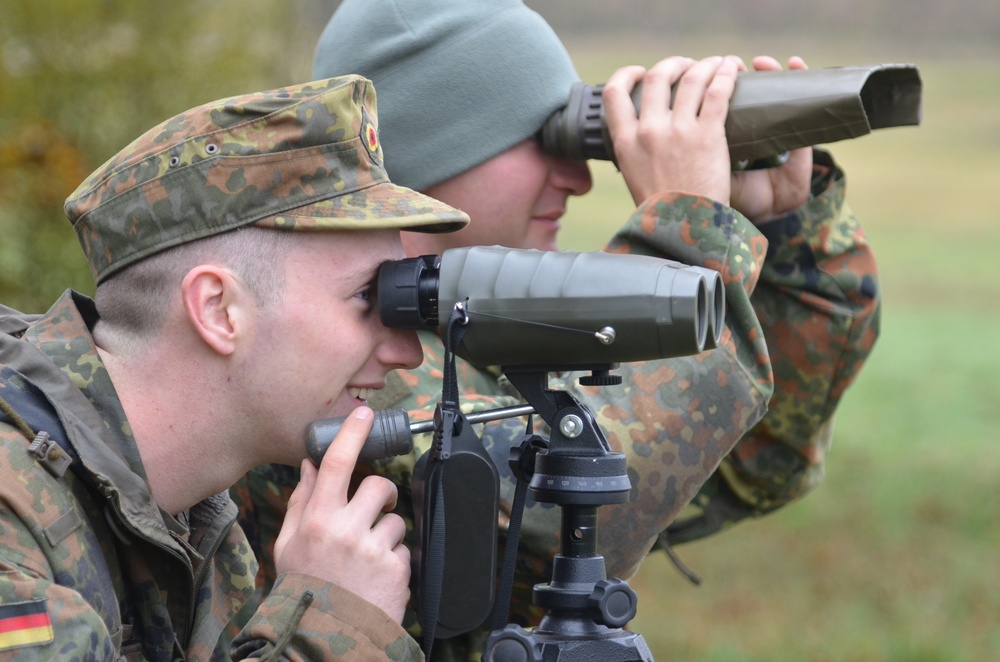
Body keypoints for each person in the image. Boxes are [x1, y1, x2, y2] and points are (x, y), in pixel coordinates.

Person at [231, 0, 882, 657]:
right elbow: (568, 519)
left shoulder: (480, 328)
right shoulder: (348, 355)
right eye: (544, 141)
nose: (578, 177)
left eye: (576, 139)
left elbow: (755, 457)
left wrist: (784, 231)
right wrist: (691, 231)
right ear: (431, 150)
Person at [0, 74, 473, 660]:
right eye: (366, 299)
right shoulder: (13, 515)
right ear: (219, 310)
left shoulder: (199, 527)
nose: (407, 352)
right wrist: (332, 623)